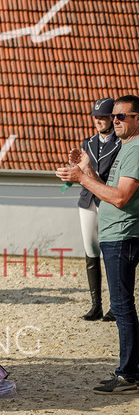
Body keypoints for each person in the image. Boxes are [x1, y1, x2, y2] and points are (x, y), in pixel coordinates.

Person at [57, 95, 139, 394]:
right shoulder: (128, 147)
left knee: (121, 306)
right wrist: (85, 170)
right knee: (123, 305)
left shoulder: (136, 149)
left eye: (122, 116)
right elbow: (107, 187)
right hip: (115, 233)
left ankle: (128, 375)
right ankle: (131, 370)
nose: (114, 120)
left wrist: (82, 177)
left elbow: (119, 197)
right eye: (113, 116)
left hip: (122, 234)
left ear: (137, 118)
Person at [77, 97, 120, 321]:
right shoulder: (87, 142)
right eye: (96, 117)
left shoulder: (121, 143)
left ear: (112, 118)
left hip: (107, 200)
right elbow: (82, 170)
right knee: (90, 250)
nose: (99, 121)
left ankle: (116, 306)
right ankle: (96, 306)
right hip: (87, 201)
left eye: (103, 117)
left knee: (111, 252)